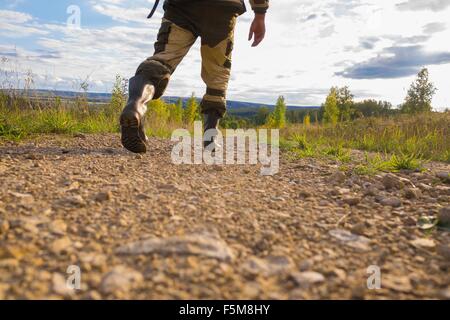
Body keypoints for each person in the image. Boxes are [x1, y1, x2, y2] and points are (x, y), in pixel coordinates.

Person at [120, 0, 269, 153]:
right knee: (217, 72)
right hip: (222, 8)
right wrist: (260, 13)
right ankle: (210, 137)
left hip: (181, 6)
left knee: (162, 60)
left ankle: (136, 105)